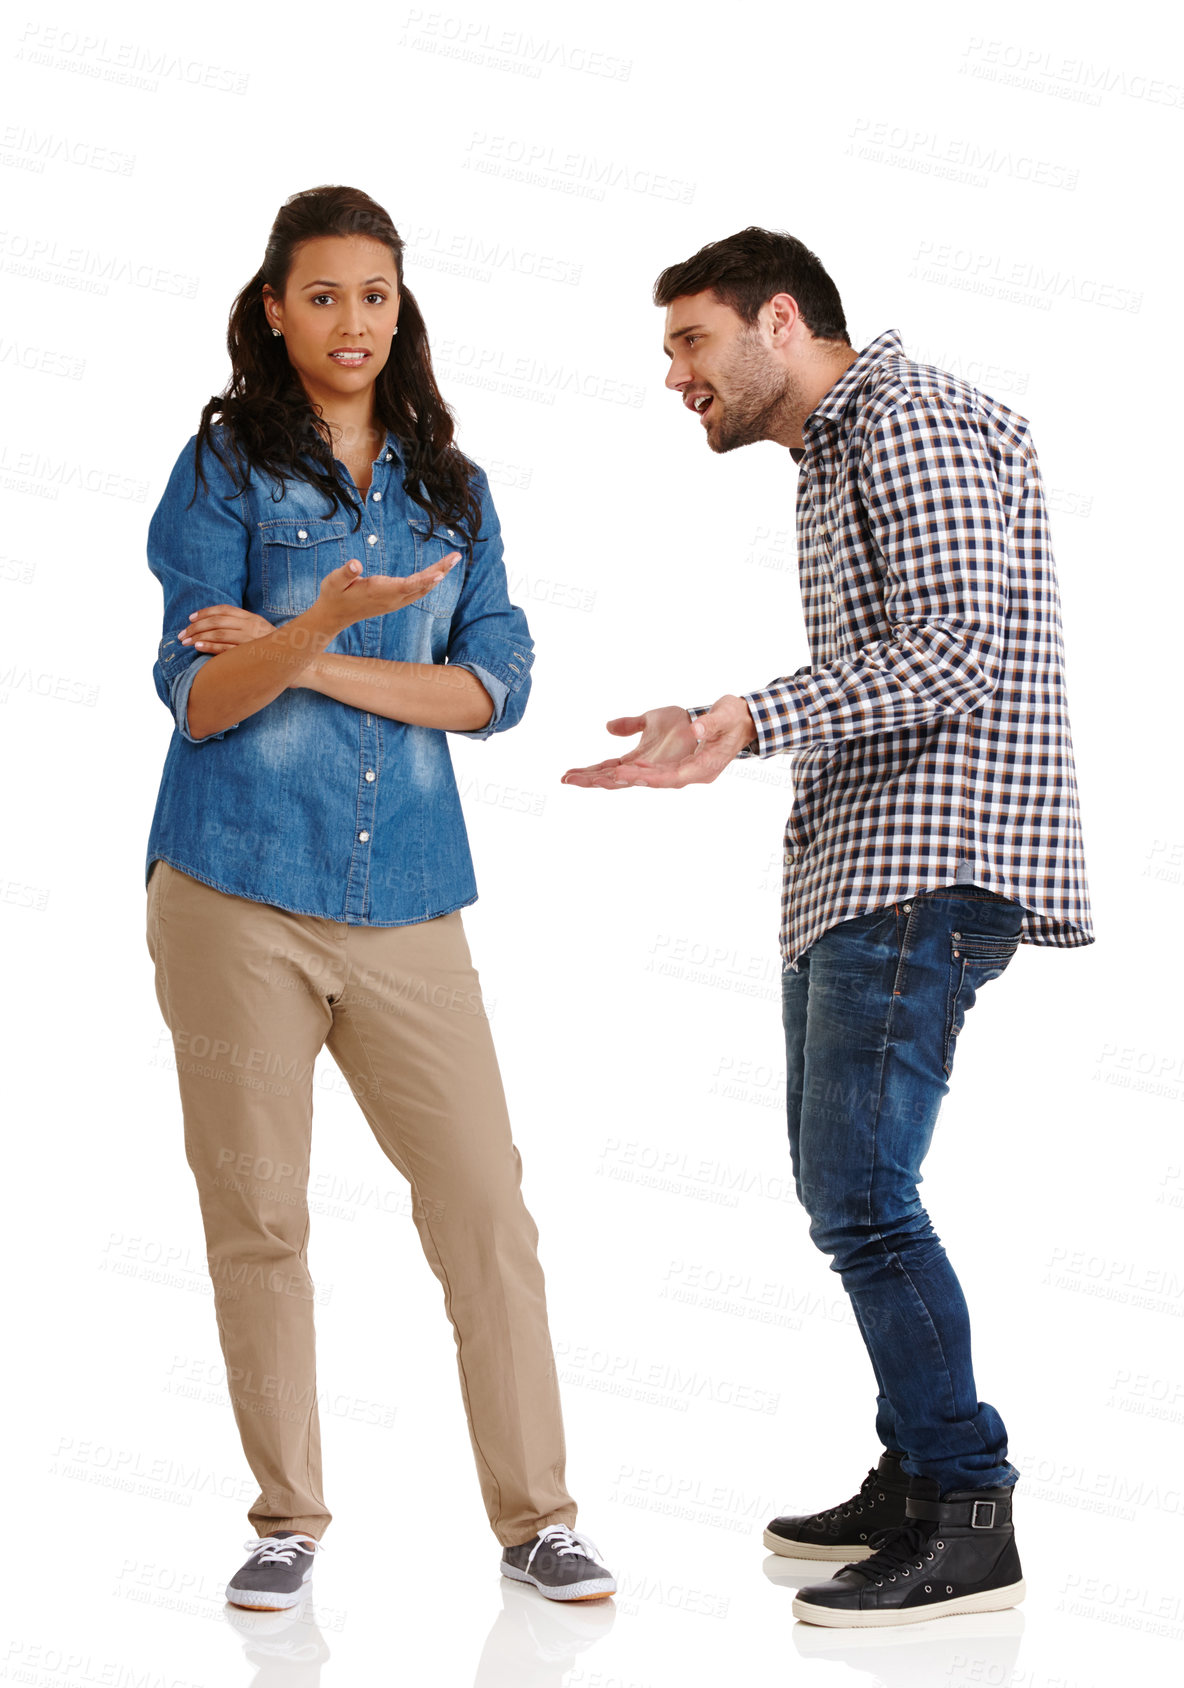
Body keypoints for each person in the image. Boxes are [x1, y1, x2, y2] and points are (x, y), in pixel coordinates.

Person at [561, 227, 1093, 1629]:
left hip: (928, 858)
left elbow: (954, 649)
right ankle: (919, 1473)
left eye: (692, 341)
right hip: (863, 862)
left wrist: (743, 720)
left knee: (862, 1195)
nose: (676, 375)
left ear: (779, 319)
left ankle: (970, 1512)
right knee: (843, 1190)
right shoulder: (839, 450)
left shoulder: (908, 421)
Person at [143, 183, 615, 1612]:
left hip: (408, 895)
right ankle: (286, 1515)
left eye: (378, 295)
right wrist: (305, 639)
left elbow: (492, 691)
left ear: (402, 312)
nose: (355, 320)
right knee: (260, 1214)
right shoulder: (226, 467)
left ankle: (538, 1519)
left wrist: (317, 641)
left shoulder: (452, 490)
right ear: (275, 308)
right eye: (326, 294)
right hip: (236, 890)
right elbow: (201, 698)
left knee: (484, 1206)